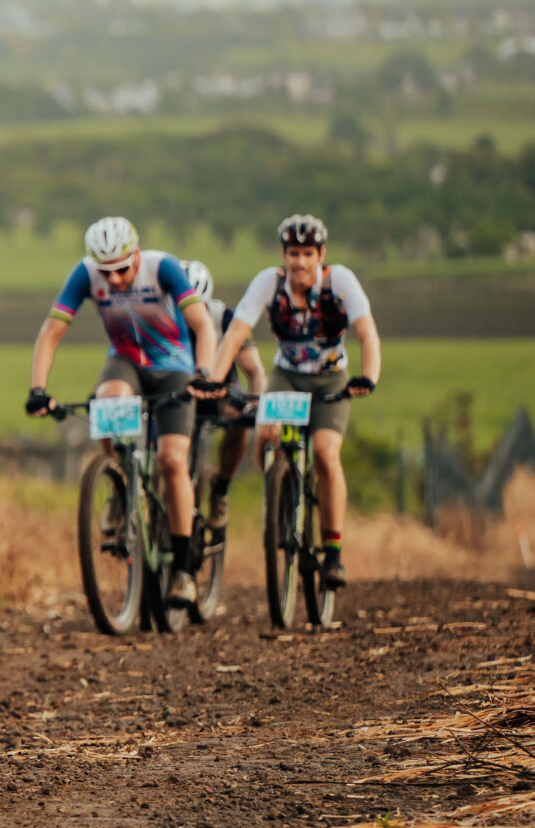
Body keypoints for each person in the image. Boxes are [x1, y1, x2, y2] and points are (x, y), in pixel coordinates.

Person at [25, 216, 225, 604]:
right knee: (106, 398)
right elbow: (51, 331)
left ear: (136, 255)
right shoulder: (85, 274)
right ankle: (120, 484)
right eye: (106, 272)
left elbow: (202, 325)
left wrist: (204, 374)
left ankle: (183, 570)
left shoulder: (162, 267)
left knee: (172, 460)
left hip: (174, 366)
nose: (114, 279)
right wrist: (37, 389)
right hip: (126, 361)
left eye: (121, 269)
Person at [211, 214, 381, 592]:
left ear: (321, 254)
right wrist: (213, 380)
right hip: (287, 376)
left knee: (325, 452)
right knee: (265, 436)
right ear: (283, 255)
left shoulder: (340, 282)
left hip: (331, 378)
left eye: (307, 253)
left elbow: (367, 334)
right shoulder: (269, 283)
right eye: (293, 253)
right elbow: (236, 333)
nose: (300, 262)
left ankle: (333, 552)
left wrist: (368, 377)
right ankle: (279, 498)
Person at [183, 258, 264, 564]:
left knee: (238, 419)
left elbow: (254, 369)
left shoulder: (224, 317)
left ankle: (221, 488)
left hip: (222, 391)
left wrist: (255, 403)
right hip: (182, 390)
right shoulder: (164, 320)